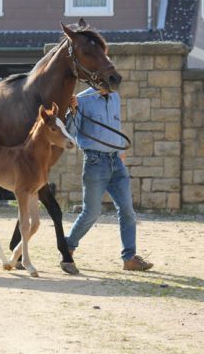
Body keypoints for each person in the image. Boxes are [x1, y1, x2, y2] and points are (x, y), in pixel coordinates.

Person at [65, 87, 153, 271]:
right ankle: (68, 248)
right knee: (92, 212)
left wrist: (120, 152)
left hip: (116, 162)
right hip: (95, 162)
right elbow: (71, 133)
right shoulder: (80, 100)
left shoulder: (115, 97)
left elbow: (116, 125)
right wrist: (71, 111)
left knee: (128, 211)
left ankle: (129, 259)